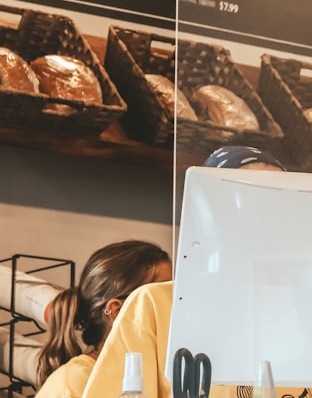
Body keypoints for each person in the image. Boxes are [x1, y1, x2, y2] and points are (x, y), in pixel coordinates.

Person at [82, 147, 286, 398]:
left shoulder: (307, 313)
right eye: (242, 202)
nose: (260, 221)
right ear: (206, 216)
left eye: (276, 204)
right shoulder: (154, 305)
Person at [33, 240, 172, 398]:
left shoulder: (160, 377)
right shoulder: (73, 382)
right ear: (117, 311)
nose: (174, 306)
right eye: (161, 295)